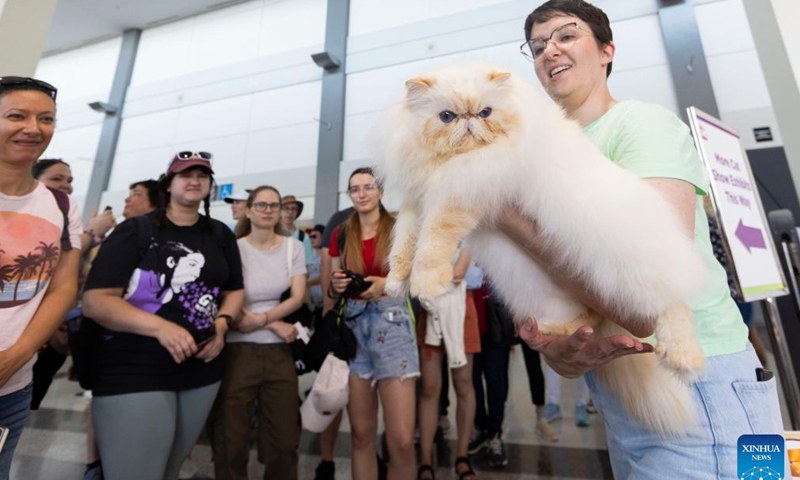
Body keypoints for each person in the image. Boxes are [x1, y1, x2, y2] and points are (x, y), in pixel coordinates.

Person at [503, 2, 787, 478]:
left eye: (566, 36)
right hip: (624, 388)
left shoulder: (640, 124)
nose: (549, 49)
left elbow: (650, 283)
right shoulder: (544, 156)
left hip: (699, 381)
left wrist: (510, 220)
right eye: (537, 46)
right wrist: (561, 351)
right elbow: (555, 287)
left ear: (607, 50)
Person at [82, 152, 244, 480]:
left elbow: (234, 289)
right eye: (185, 174)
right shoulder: (135, 230)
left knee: (170, 470)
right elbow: (96, 301)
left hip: (201, 368)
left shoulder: (220, 234)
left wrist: (222, 323)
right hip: (136, 366)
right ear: (168, 184)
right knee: (136, 472)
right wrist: (161, 328)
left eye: (203, 175)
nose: (195, 180)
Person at [0, 76, 82, 480]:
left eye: (46, 118)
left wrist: (18, 355)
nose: (33, 128)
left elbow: (64, 285)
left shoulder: (61, 204)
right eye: (17, 116)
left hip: (12, 386)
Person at [329, 167, 418, 480]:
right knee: (361, 434)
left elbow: (417, 279)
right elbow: (333, 281)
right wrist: (337, 285)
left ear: (380, 190)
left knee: (403, 440)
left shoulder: (399, 228)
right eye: (355, 189)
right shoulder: (343, 232)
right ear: (350, 195)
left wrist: (385, 284)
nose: (362, 193)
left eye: (368, 187)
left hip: (392, 322)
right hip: (354, 324)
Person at [212, 186, 306, 480]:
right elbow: (224, 299)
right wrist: (273, 323)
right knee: (231, 439)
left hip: (278, 352)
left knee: (285, 439)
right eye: (261, 205)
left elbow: (296, 298)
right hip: (237, 350)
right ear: (249, 209)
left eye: (274, 205)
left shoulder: (294, 247)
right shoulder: (233, 248)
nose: (268, 210)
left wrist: (263, 318)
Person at [417, 250, 480, 480]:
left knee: (464, 382)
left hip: (462, 304)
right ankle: (425, 459)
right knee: (430, 386)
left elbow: (461, 272)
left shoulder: (467, 222)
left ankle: (462, 456)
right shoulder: (424, 220)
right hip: (430, 304)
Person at [313, 206, 354, 480]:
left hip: (376, 322)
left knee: (366, 399)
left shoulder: (389, 218)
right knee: (332, 395)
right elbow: (328, 261)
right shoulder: (339, 219)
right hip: (340, 318)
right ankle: (326, 460)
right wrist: (329, 307)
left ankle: (370, 456)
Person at [280, 194, 314, 269]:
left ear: (297, 213)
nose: (290, 212)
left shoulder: (303, 237)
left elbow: (305, 268)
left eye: (294, 209)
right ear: (279, 211)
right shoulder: (271, 233)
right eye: (286, 208)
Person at [307, 224, 325, 317]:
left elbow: (325, 276)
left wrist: (306, 284)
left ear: (323, 237)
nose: (311, 239)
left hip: (327, 303)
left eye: (314, 236)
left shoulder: (328, 256)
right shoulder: (310, 256)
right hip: (315, 303)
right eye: (310, 236)